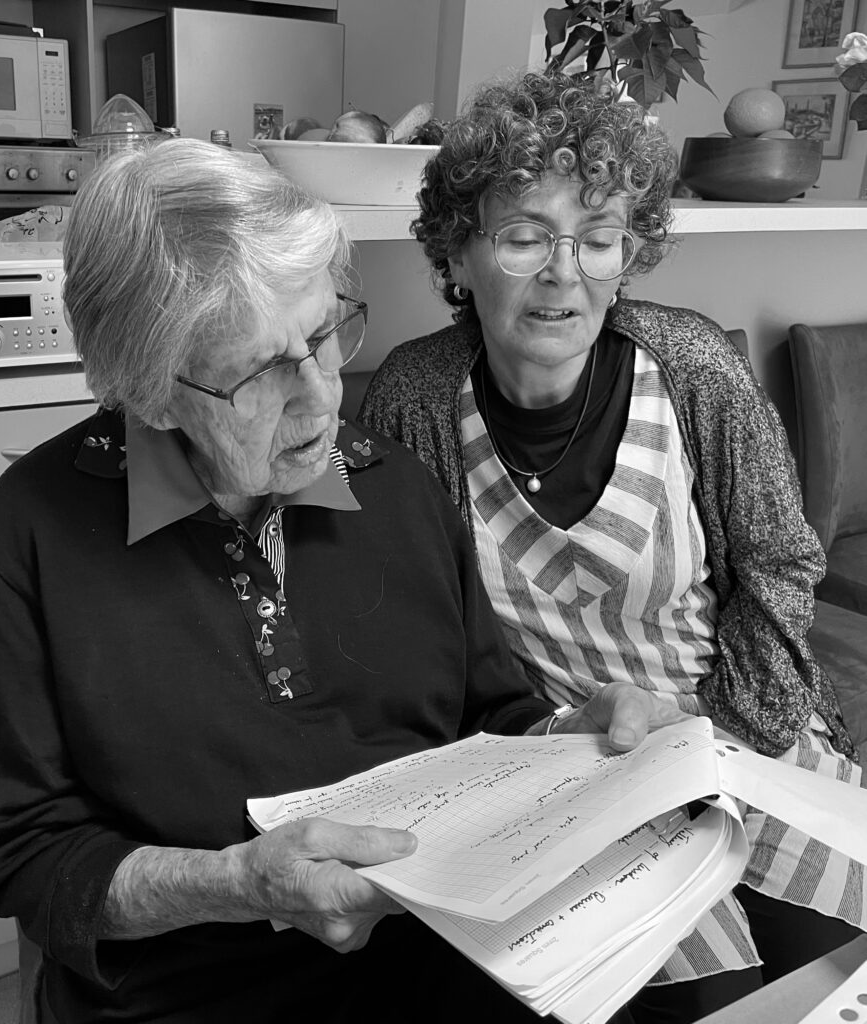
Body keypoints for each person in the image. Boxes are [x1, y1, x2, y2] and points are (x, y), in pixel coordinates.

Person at [0, 138, 677, 1024]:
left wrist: (574, 734)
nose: (321, 397)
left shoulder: (394, 486)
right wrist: (236, 885)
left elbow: (490, 714)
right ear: (149, 392)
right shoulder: (39, 530)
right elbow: (24, 855)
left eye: (327, 333)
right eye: (260, 371)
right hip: (194, 993)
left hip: (448, 957)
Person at [359, 69, 864, 1024]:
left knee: (837, 981)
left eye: (596, 240)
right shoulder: (412, 401)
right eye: (523, 237)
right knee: (713, 1000)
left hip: (737, 733)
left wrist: (722, 730)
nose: (566, 272)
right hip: (571, 775)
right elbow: (406, 636)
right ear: (457, 256)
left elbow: (780, 565)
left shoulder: (692, 368)